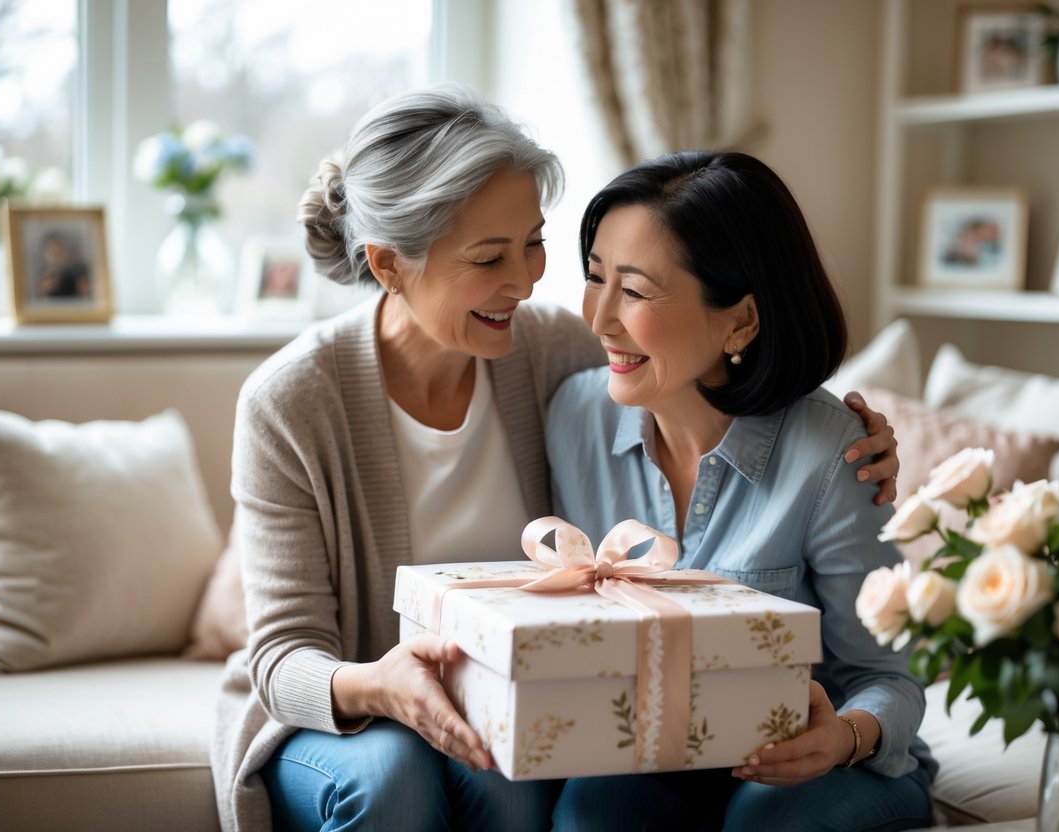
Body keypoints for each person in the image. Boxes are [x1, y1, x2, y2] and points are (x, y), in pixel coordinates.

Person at [210, 87, 902, 832]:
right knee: (393, 779)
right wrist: (380, 686)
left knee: (520, 784)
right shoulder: (291, 401)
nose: (528, 280)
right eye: (489, 257)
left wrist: (855, 434)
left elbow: (694, 359)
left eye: (534, 242)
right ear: (387, 265)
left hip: (506, 697)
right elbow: (279, 656)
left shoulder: (549, 355)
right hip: (348, 703)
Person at [546, 151, 935, 831]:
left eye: (634, 291)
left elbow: (891, 679)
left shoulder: (831, 454)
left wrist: (842, 736)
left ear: (740, 322)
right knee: (590, 808)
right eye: (593, 277)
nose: (600, 318)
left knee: (764, 819)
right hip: (662, 757)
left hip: (829, 770)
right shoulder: (573, 417)